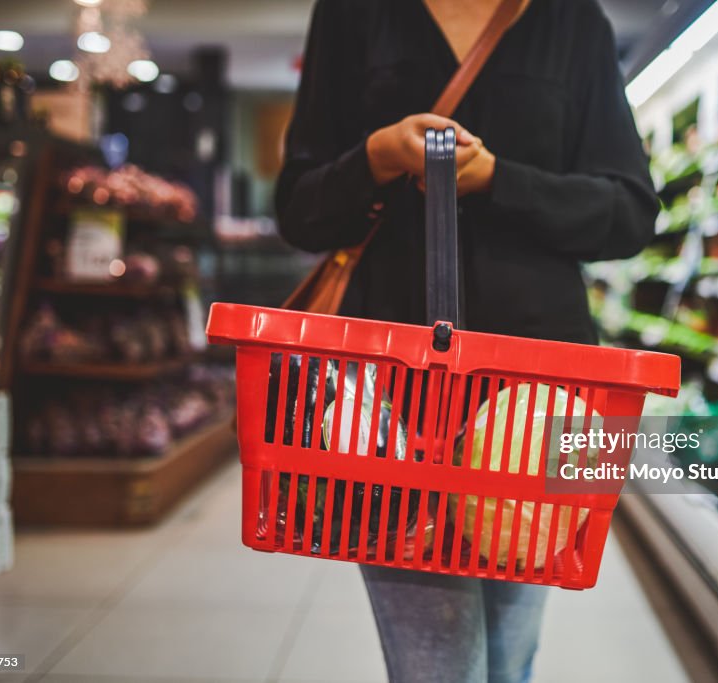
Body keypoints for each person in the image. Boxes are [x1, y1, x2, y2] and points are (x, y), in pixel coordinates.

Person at [275, 0, 658, 681]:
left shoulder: (573, 21)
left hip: (544, 397)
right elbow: (299, 208)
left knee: (510, 661)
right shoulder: (351, 14)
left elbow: (629, 213)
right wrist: (377, 156)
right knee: (438, 669)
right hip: (391, 394)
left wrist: (498, 181)